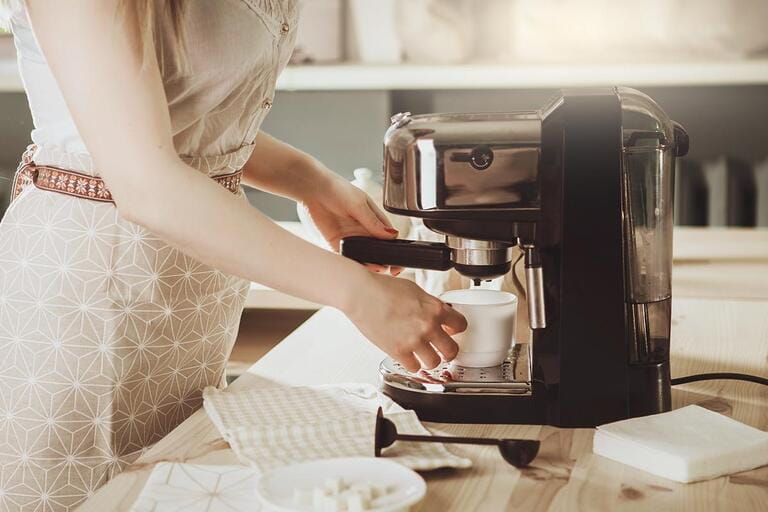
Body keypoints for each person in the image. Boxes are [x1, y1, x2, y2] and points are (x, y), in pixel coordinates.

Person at [0, 1, 467, 510]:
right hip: (84, 304)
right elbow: (145, 184)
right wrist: (358, 293)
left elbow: (184, 111)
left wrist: (311, 182)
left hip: (187, 301)